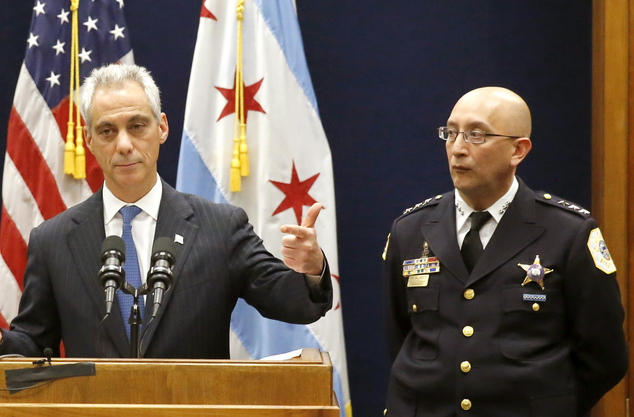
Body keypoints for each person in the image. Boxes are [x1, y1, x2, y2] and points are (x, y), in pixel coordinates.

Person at [0, 63, 332, 359]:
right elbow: (34, 345)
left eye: (137, 126)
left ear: (162, 128)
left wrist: (312, 270)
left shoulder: (220, 227)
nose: (125, 144)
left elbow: (294, 303)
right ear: (88, 140)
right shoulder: (53, 241)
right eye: (107, 131)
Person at [382, 86, 628, 416]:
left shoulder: (568, 232)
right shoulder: (410, 229)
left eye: (476, 135)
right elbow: (401, 336)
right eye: (450, 133)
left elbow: (605, 356)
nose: (457, 149)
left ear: (518, 150)